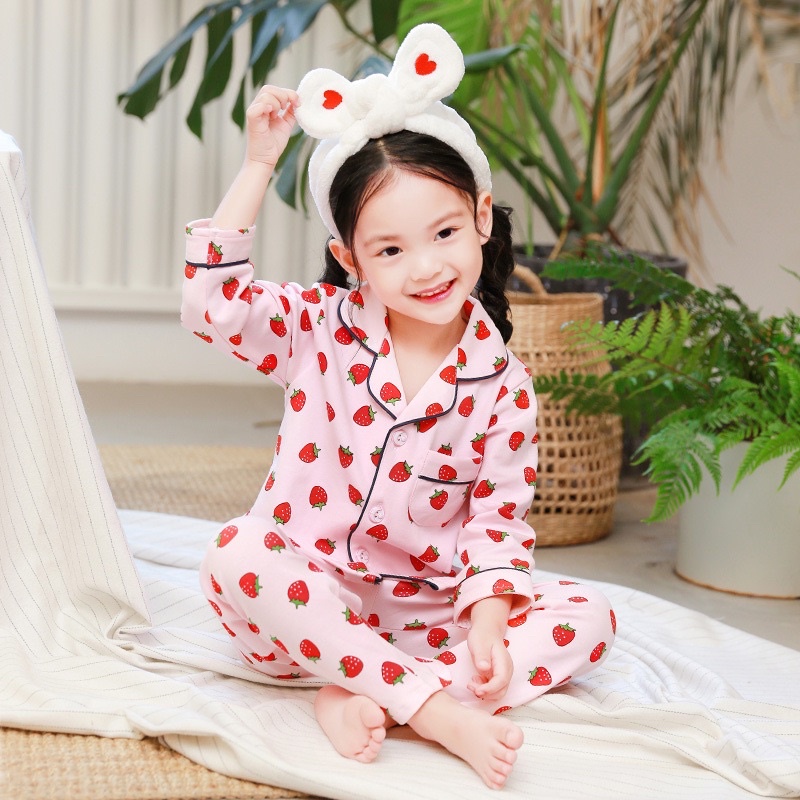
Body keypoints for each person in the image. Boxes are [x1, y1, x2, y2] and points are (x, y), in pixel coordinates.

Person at [181, 24, 615, 791]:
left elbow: (497, 525)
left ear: (482, 216)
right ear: (349, 258)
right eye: (389, 250)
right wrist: (258, 164)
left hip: (425, 621)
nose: (425, 267)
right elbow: (213, 305)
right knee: (236, 554)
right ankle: (434, 710)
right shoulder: (317, 328)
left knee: (589, 615)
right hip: (300, 614)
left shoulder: (504, 385)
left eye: (444, 232)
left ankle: (366, 691)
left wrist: (488, 629)